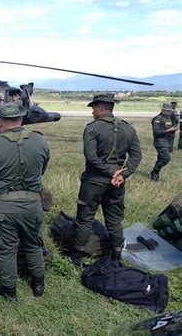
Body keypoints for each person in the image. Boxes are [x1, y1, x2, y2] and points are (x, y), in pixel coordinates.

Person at [0, 102, 50, 300]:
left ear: (0, 122)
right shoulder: (40, 141)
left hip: (2, 208)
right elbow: (42, 169)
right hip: (32, 204)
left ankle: (9, 291)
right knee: (33, 244)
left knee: (6, 249)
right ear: (21, 119)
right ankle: (38, 284)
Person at [71, 94, 142, 266]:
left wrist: (111, 173)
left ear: (101, 108)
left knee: (85, 218)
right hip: (117, 182)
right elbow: (136, 156)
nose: (92, 113)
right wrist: (121, 174)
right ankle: (116, 258)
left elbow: (91, 157)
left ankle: (76, 258)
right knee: (115, 220)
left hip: (94, 180)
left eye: (94, 109)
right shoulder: (128, 129)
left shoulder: (92, 128)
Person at [150, 103, 178, 181]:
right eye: (169, 111)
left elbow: (174, 123)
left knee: (161, 158)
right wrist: (168, 130)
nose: (170, 112)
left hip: (167, 141)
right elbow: (156, 132)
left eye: (170, 111)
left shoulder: (169, 118)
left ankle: (155, 175)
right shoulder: (157, 119)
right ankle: (154, 171)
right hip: (160, 142)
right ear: (163, 110)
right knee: (166, 158)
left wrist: (173, 129)